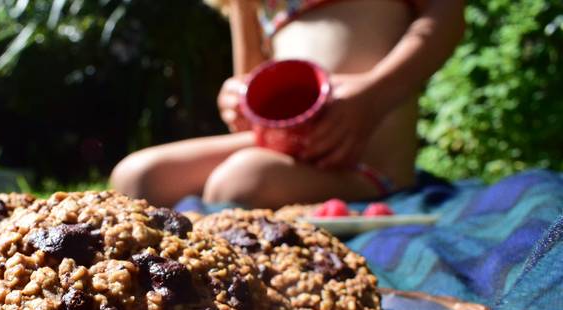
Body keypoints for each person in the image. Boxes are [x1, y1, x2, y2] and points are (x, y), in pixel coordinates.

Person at [111, 0, 465, 209]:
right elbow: (248, 81)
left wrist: (373, 96)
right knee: (136, 177)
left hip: (369, 161)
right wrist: (236, 97)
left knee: (240, 183)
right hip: (286, 144)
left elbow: (446, 18)